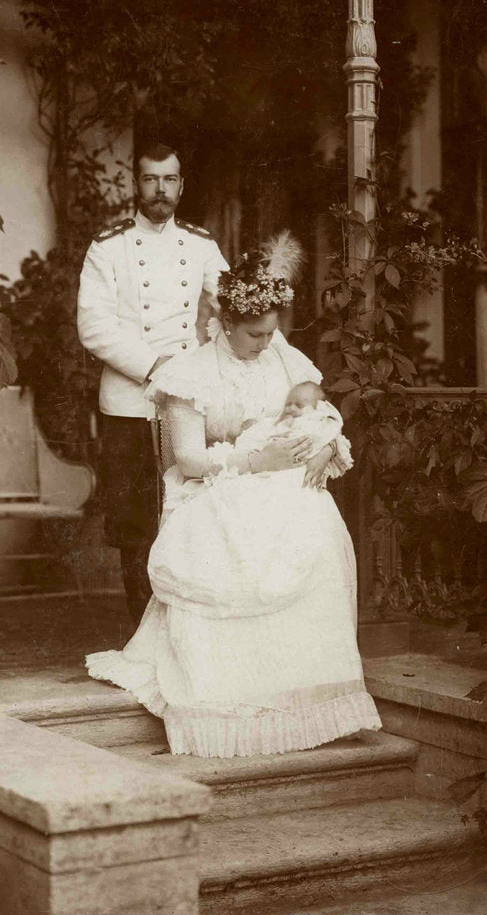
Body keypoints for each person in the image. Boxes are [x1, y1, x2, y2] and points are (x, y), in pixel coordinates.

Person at [86, 237, 381, 758]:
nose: (266, 344)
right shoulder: (190, 373)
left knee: (315, 516)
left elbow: (322, 415)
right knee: (233, 535)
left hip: (281, 485)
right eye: (254, 334)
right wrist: (252, 464)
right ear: (225, 324)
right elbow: (189, 462)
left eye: (272, 332)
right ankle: (236, 702)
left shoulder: (286, 361)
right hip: (214, 486)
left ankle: (301, 688)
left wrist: (324, 447)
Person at [77, 143, 229, 622]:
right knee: (135, 523)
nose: (160, 190)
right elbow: (94, 326)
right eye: (150, 179)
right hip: (129, 400)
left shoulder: (202, 244)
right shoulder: (108, 246)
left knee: (190, 514)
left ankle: (185, 629)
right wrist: (156, 365)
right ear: (135, 184)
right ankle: (139, 632)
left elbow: (236, 305)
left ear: (181, 185)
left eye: (169, 180)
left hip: (186, 402)